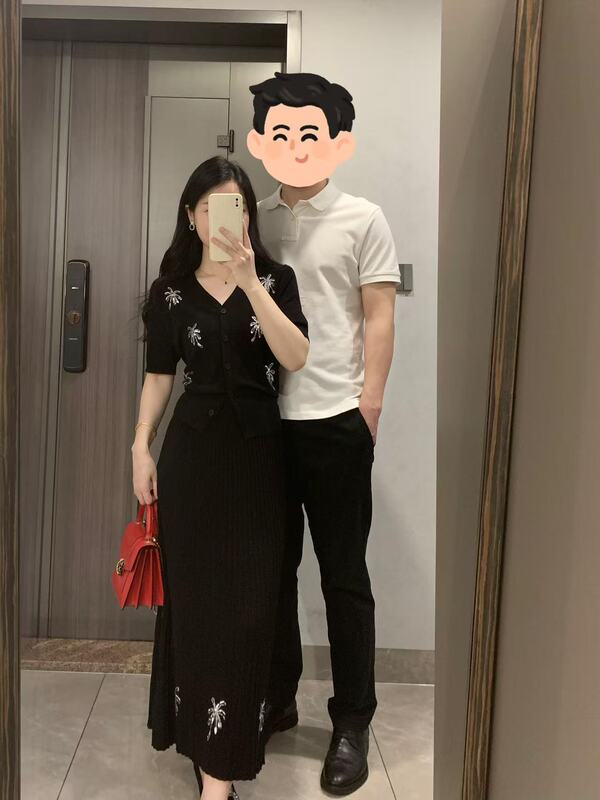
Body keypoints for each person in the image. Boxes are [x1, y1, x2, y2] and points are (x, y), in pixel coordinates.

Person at [133, 155, 309, 800]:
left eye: (232, 206)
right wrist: (140, 445)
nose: (218, 218)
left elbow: (296, 356)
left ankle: (230, 747)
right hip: (194, 463)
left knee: (251, 608)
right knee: (199, 605)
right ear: (190, 215)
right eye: (207, 207)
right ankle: (215, 773)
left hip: (261, 464)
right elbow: (159, 376)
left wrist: (251, 283)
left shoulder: (277, 279)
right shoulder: (170, 291)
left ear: (248, 216)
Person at [247, 72, 400, 795]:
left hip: (336, 423)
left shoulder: (364, 218)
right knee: (272, 574)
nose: (296, 145)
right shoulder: (256, 221)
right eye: (282, 132)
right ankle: (277, 700)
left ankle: (352, 723)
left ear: (335, 139)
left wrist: (368, 409)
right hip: (264, 427)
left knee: (344, 578)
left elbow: (379, 317)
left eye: (309, 131)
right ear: (263, 140)